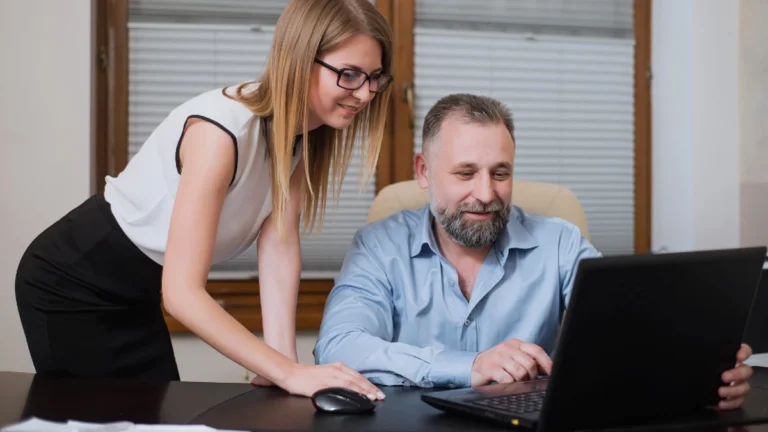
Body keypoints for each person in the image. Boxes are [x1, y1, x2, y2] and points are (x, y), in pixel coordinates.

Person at [15, 0, 390, 401]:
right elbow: (180, 293)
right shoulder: (220, 133)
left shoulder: (302, 134)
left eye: (375, 78)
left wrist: (285, 364)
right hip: (71, 283)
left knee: (157, 421)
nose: (365, 94)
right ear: (299, 58)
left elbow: (278, 241)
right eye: (349, 75)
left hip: (136, 292)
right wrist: (286, 372)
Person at [313, 93, 754, 410]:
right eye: (465, 173)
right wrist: (468, 366)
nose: (485, 193)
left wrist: (700, 372)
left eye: (500, 173)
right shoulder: (379, 245)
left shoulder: (559, 243)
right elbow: (338, 345)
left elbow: (635, 334)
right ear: (424, 171)